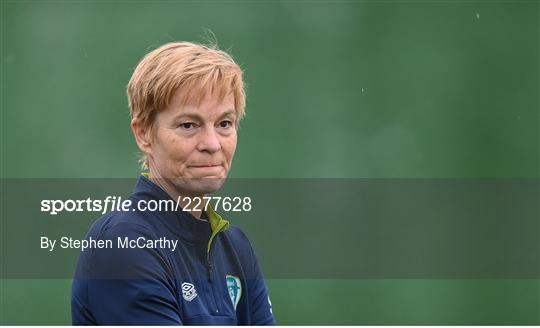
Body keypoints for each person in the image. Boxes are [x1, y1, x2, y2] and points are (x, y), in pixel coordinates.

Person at [71, 41, 275, 325]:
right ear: (143, 133)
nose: (212, 144)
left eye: (224, 124)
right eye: (188, 125)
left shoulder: (236, 246)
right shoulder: (124, 243)